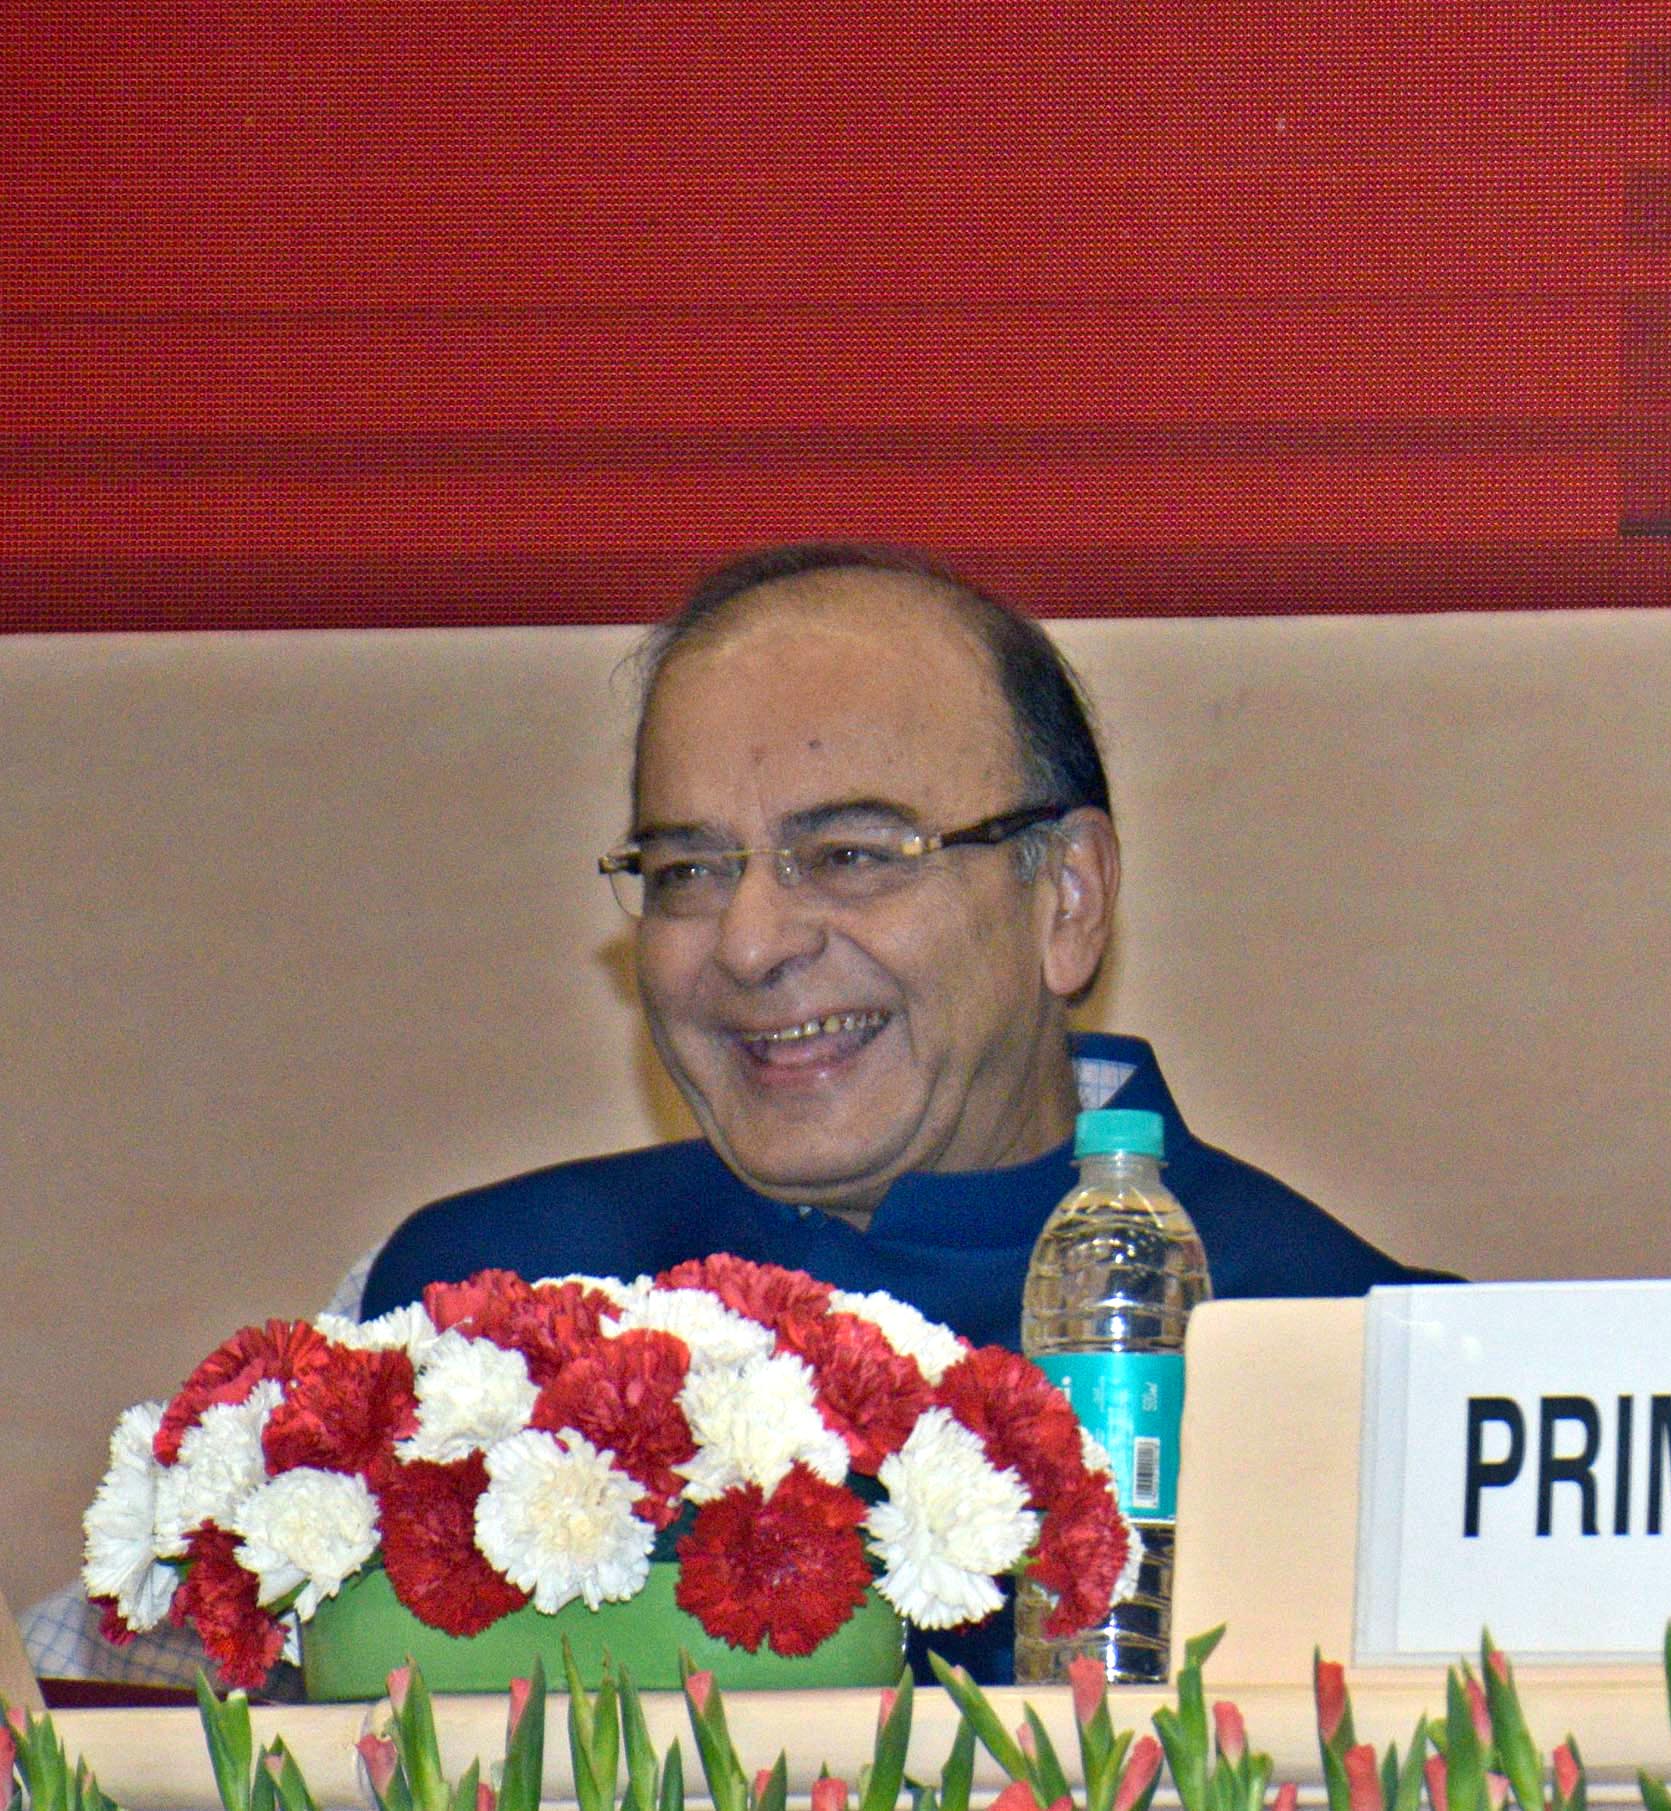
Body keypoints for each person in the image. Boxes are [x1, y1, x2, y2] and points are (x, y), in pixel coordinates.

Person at [27, 544, 1434, 1688]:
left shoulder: (1352, 1346)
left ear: (1064, 897)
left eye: (850, 852)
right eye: (689, 867)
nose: (751, 940)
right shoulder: (473, 1307)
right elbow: (114, 1719)